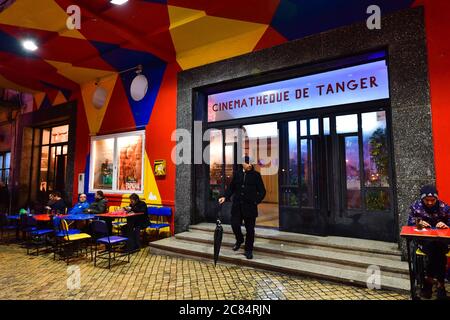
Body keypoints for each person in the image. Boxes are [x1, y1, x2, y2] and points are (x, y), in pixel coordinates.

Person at [218, 156, 266, 259]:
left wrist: (255, 201)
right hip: (237, 206)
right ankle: (239, 239)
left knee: (250, 230)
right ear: (242, 163)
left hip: (250, 207)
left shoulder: (256, 175)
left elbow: (262, 191)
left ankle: (248, 250)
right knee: (234, 224)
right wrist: (225, 197)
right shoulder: (237, 174)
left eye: (251, 163)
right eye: (247, 163)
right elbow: (231, 188)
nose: (249, 165)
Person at [408, 185, 449, 300]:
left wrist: (445, 226)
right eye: (427, 200)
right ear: (422, 199)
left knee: (438, 248)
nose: (430, 203)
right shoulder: (416, 207)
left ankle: (428, 282)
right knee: (435, 249)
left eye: (432, 200)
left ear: (436, 199)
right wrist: (418, 224)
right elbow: (409, 225)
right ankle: (440, 284)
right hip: (424, 241)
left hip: (441, 240)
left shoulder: (444, 207)